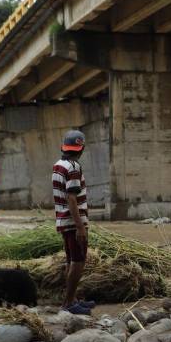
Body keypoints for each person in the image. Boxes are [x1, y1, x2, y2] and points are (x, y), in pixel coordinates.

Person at [53, 130, 93, 314]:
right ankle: (69, 303)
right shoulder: (73, 167)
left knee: (71, 260)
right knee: (78, 261)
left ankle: (72, 299)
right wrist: (80, 227)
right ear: (81, 148)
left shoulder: (58, 165)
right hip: (73, 221)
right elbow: (71, 198)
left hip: (63, 220)